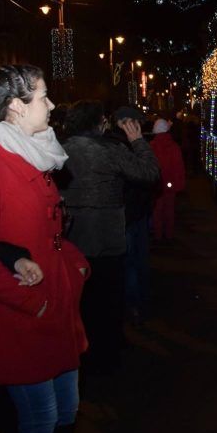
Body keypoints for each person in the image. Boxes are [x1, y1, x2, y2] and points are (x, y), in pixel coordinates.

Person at [0, 64, 89, 433]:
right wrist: (34, 303)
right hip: (22, 317)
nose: (51, 105)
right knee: (41, 422)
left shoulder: (35, 153)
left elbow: (44, 235)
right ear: (16, 107)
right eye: (43, 96)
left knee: (68, 411)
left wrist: (74, 264)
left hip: (57, 308)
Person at [60, 100, 158, 373]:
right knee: (109, 298)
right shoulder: (110, 150)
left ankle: (84, 352)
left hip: (71, 239)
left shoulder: (58, 150)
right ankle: (108, 353)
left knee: (81, 300)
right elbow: (149, 173)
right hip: (107, 238)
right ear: (98, 123)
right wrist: (138, 141)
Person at [108, 106, 156, 324]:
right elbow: (150, 175)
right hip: (127, 217)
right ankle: (134, 305)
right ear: (126, 123)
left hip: (134, 214)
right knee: (131, 264)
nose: (140, 127)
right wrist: (138, 143)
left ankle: (136, 302)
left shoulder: (117, 143)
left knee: (136, 262)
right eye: (136, 122)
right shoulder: (120, 146)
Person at [150, 118, 185, 243]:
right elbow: (178, 167)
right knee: (169, 209)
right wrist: (179, 183)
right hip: (170, 184)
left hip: (156, 184)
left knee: (157, 210)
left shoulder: (152, 146)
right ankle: (169, 234)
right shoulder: (174, 146)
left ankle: (158, 235)